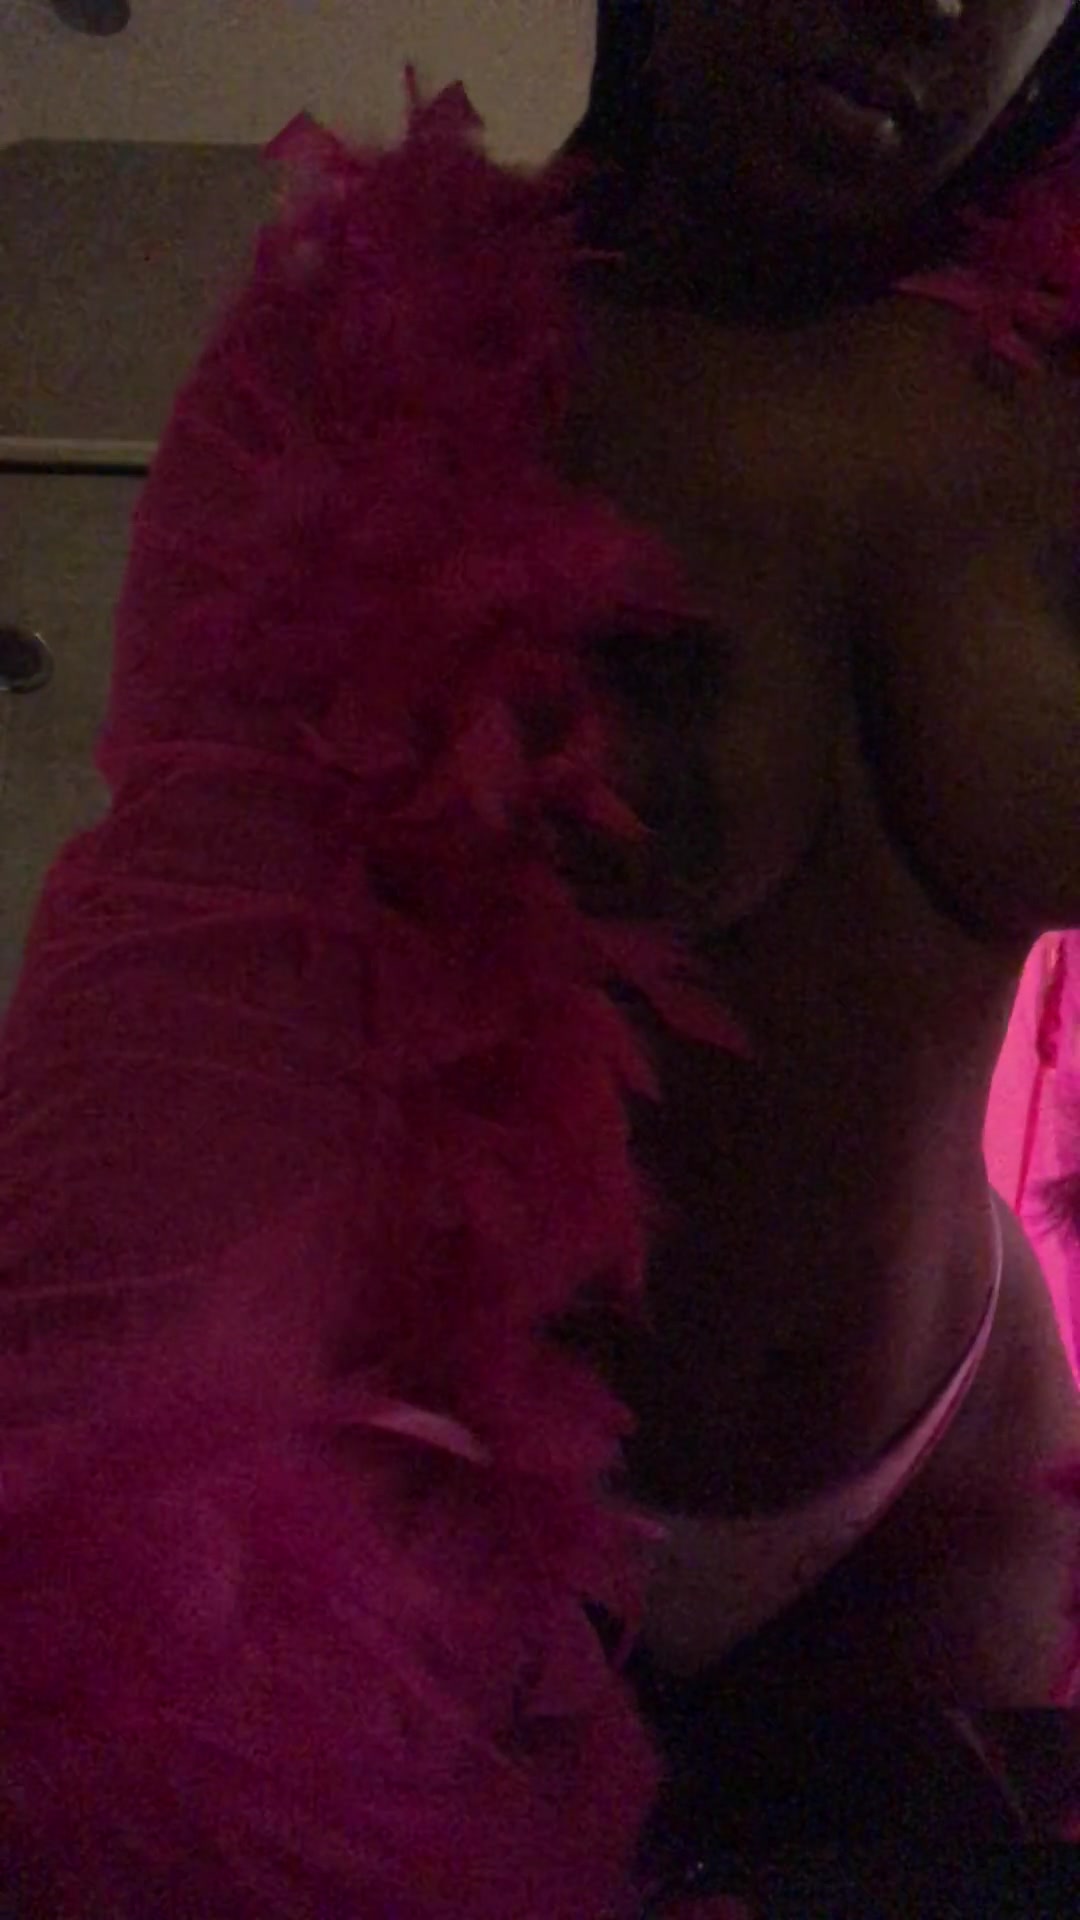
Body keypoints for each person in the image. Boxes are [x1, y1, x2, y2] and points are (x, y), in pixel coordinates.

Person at [2, 2, 1080, 1913]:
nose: (931, 1)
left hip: (945, 1473)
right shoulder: (385, 365)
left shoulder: (1063, 401)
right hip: (456, 1486)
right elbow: (174, 999)